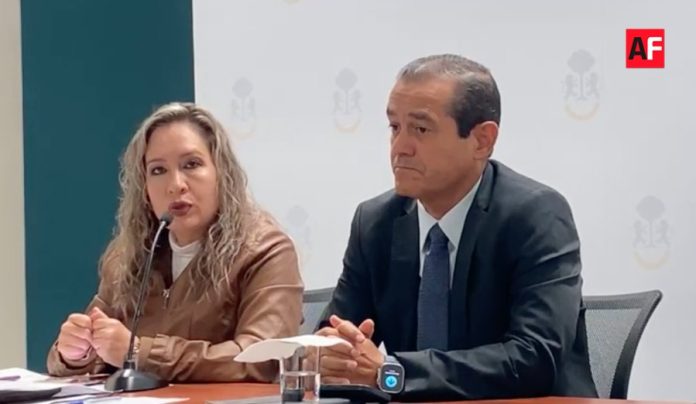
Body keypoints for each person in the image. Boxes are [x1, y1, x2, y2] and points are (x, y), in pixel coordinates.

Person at [316, 54, 598, 400]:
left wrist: (393, 372)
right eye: (394, 127)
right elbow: (337, 334)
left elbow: (533, 358)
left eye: (420, 129)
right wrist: (331, 352)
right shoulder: (376, 222)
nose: (399, 148)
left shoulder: (536, 216)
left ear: (482, 140)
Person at [47, 102, 303, 382]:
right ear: (144, 188)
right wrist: (74, 353)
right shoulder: (127, 256)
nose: (175, 185)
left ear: (222, 174)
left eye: (191, 164)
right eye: (158, 170)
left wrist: (141, 353)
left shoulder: (265, 250)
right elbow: (95, 350)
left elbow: (262, 359)